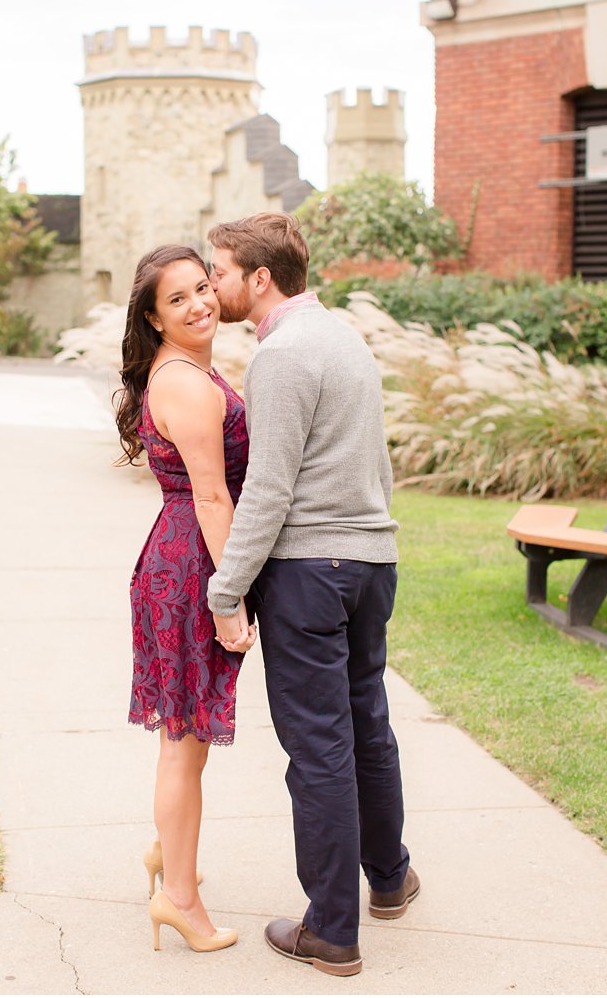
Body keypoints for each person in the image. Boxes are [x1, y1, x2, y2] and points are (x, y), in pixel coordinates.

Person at [204, 212, 415, 979]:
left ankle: (332, 930)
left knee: (319, 749)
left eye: (220, 270)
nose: (213, 283)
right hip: (369, 562)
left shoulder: (283, 356)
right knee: (366, 725)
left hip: (309, 574)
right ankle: (389, 879)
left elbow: (268, 487)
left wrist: (225, 589)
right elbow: (375, 463)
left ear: (259, 279)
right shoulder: (343, 335)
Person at [116, 244, 255, 955]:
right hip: (189, 566)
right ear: (153, 316)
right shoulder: (188, 383)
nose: (201, 303)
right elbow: (211, 493)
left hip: (179, 557)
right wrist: (228, 598)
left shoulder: (186, 370)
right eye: (180, 298)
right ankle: (180, 898)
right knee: (183, 744)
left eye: (204, 288)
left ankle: (167, 857)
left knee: (186, 743)